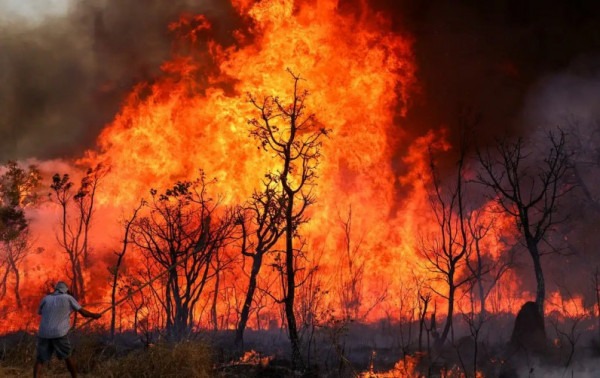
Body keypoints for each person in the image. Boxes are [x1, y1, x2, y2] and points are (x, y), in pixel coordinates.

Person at [33, 281, 102, 378]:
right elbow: (83, 313)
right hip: (59, 334)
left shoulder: (46, 299)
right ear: (65, 290)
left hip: (43, 333)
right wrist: (94, 315)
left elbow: (40, 312)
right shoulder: (68, 298)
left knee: (40, 359)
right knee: (68, 356)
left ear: (56, 289)